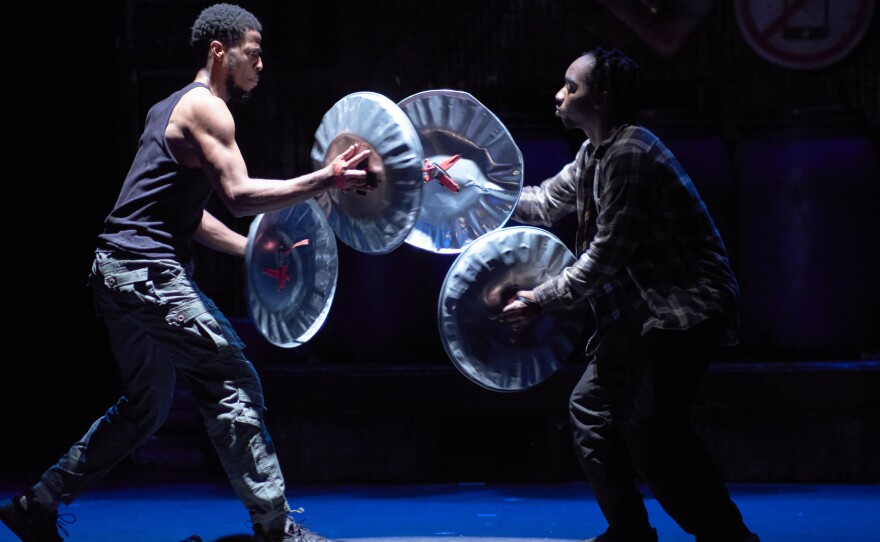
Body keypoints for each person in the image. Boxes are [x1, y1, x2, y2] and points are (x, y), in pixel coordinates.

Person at [0, 4, 371, 541]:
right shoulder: (210, 111)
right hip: (146, 271)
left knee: (145, 407)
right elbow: (240, 196)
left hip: (114, 271)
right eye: (254, 52)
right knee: (232, 379)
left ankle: (39, 502)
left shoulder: (165, 108)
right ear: (219, 52)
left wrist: (251, 251)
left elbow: (190, 215)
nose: (261, 65)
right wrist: (326, 179)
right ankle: (274, 529)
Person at [500, 48, 760, 542]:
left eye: (570, 87)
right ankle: (630, 532)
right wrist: (474, 190)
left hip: (684, 311)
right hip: (640, 315)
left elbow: (602, 259)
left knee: (653, 430)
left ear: (600, 99)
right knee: (592, 410)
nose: (559, 95)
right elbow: (542, 203)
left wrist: (538, 299)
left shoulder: (631, 154)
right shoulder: (592, 154)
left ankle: (729, 537)